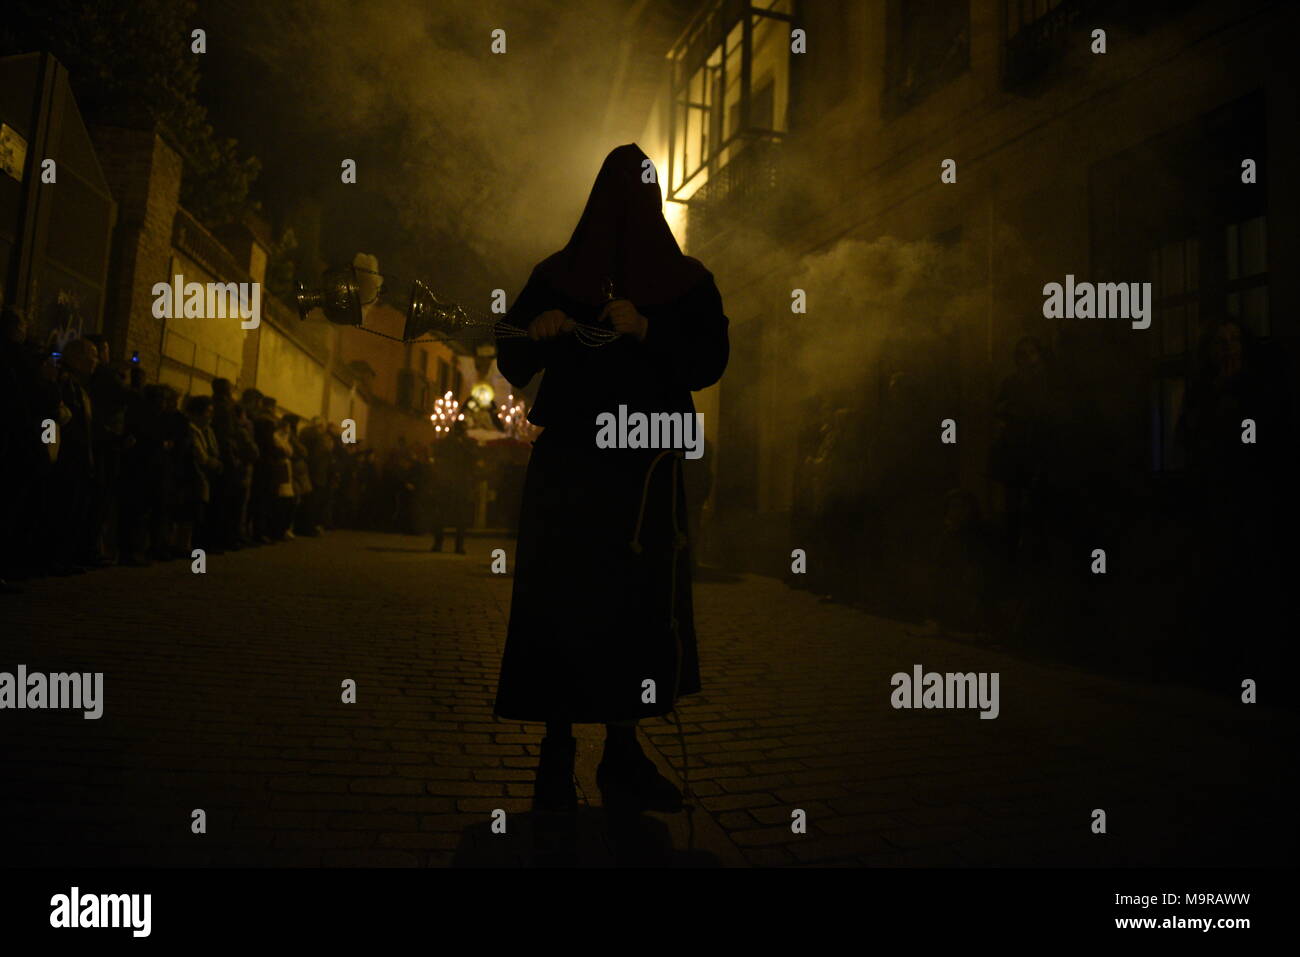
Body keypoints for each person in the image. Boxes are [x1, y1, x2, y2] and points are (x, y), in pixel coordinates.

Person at [492, 144, 729, 815]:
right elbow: (511, 356)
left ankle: (623, 753)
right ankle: (556, 753)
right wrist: (537, 330)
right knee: (562, 604)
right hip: (571, 469)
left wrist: (648, 327)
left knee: (637, 608)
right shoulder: (557, 275)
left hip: (643, 472)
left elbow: (710, 359)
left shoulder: (686, 281)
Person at [430, 421, 476, 553]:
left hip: (460, 484)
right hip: (447, 484)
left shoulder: (467, 444)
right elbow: (439, 459)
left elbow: (471, 460)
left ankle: (458, 545)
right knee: (442, 515)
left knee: (460, 517)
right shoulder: (446, 443)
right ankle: (439, 543)